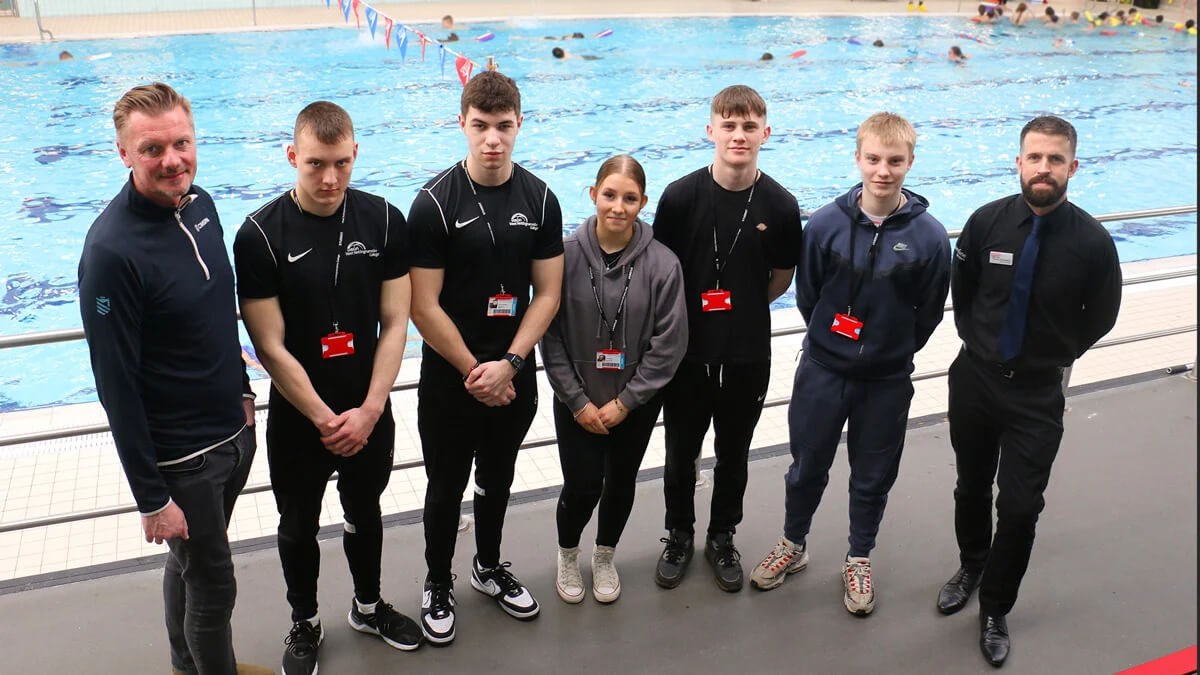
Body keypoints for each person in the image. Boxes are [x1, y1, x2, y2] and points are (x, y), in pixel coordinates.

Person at [77, 82, 269, 675]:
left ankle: (189, 666)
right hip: (183, 462)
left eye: (181, 143)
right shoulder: (111, 253)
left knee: (189, 568)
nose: (171, 160)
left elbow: (217, 313)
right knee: (215, 587)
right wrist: (151, 497)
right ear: (124, 153)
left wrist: (241, 387)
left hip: (231, 436)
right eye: (152, 148)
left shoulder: (202, 204)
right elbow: (116, 386)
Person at [233, 101, 422, 675]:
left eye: (341, 163)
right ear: (293, 156)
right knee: (297, 526)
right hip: (298, 417)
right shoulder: (260, 234)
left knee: (365, 511)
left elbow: (397, 322)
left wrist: (369, 408)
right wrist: (323, 417)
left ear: (356, 154)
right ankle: (305, 621)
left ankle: (367, 606)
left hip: (368, 407)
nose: (330, 178)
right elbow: (270, 346)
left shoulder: (385, 220)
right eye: (315, 163)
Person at [936, 115, 1121, 667]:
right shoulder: (986, 222)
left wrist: (1052, 355)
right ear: (1018, 163)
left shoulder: (1092, 242)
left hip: (1037, 393)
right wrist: (983, 345)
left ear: (1073, 168)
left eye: (1055, 159)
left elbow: (1103, 316)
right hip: (974, 379)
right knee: (970, 486)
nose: (1044, 168)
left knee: (1020, 506)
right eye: (1035, 158)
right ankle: (972, 564)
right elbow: (962, 293)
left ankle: (995, 605)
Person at [749, 113, 950, 616]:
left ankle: (858, 557)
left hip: (885, 379)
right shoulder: (824, 224)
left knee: (872, 475)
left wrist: (892, 348)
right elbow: (809, 295)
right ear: (858, 158)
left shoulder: (929, 237)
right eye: (875, 159)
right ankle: (794, 543)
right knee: (807, 466)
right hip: (823, 370)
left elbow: (929, 311)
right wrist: (831, 343)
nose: (884, 171)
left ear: (910, 163)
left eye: (895, 161)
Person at [406, 70, 564, 644]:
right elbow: (422, 306)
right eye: (480, 126)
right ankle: (436, 581)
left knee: (497, 480)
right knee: (444, 486)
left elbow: (547, 292)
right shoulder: (433, 204)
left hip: (513, 374)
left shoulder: (541, 198)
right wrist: (477, 370)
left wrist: (513, 365)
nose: (492, 139)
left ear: (519, 125)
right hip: (452, 379)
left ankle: (488, 565)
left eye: (503, 126)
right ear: (462, 125)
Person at [651, 84, 803, 593]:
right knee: (680, 451)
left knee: (734, 451)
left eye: (749, 126)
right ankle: (678, 534)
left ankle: (721, 535)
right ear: (710, 130)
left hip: (745, 352)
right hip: (687, 353)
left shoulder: (781, 204)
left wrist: (741, 307)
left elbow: (780, 277)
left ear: (766, 132)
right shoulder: (679, 197)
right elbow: (663, 273)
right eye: (729, 125)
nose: (739, 135)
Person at [540, 155, 687, 605]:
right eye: (610, 195)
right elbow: (551, 335)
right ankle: (569, 554)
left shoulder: (663, 264)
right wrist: (577, 401)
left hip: (635, 405)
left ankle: (605, 555)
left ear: (643, 202)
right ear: (593, 195)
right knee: (582, 484)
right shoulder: (562, 258)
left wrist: (627, 401)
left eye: (629, 198)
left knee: (621, 481)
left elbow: (670, 343)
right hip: (577, 403)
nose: (618, 206)